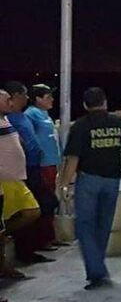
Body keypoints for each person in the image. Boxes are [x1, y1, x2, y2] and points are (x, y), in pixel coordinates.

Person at [59, 87, 121, 290]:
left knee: (84, 226)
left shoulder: (81, 126)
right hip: (113, 180)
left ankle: (96, 271)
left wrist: (65, 184)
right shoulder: (117, 122)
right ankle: (97, 268)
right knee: (103, 225)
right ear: (105, 102)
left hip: (89, 179)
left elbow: (73, 157)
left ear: (85, 105)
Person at [4, 81, 53, 263]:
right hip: (17, 172)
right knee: (33, 209)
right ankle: (24, 249)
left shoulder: (15, 117)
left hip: (31, 167)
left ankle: (32, 246)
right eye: (24, 95)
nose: (27, 98)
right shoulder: (13, 118)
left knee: (42, 205)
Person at [0, 88, 40, 291]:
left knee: (32, 211)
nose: (10, 102)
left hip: (16, 179)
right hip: (4, 180)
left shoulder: (7, 120)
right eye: (6, 99)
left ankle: (5, 237)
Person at [25, 84, 64, 251]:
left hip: (51, 162)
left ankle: (51, 236)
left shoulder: (45, 114)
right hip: (42, 164)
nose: (51, 100)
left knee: (51, 199)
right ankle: (43, 239)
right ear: (38, 99)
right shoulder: (31, 114)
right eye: (47, 97)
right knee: (46, 200)